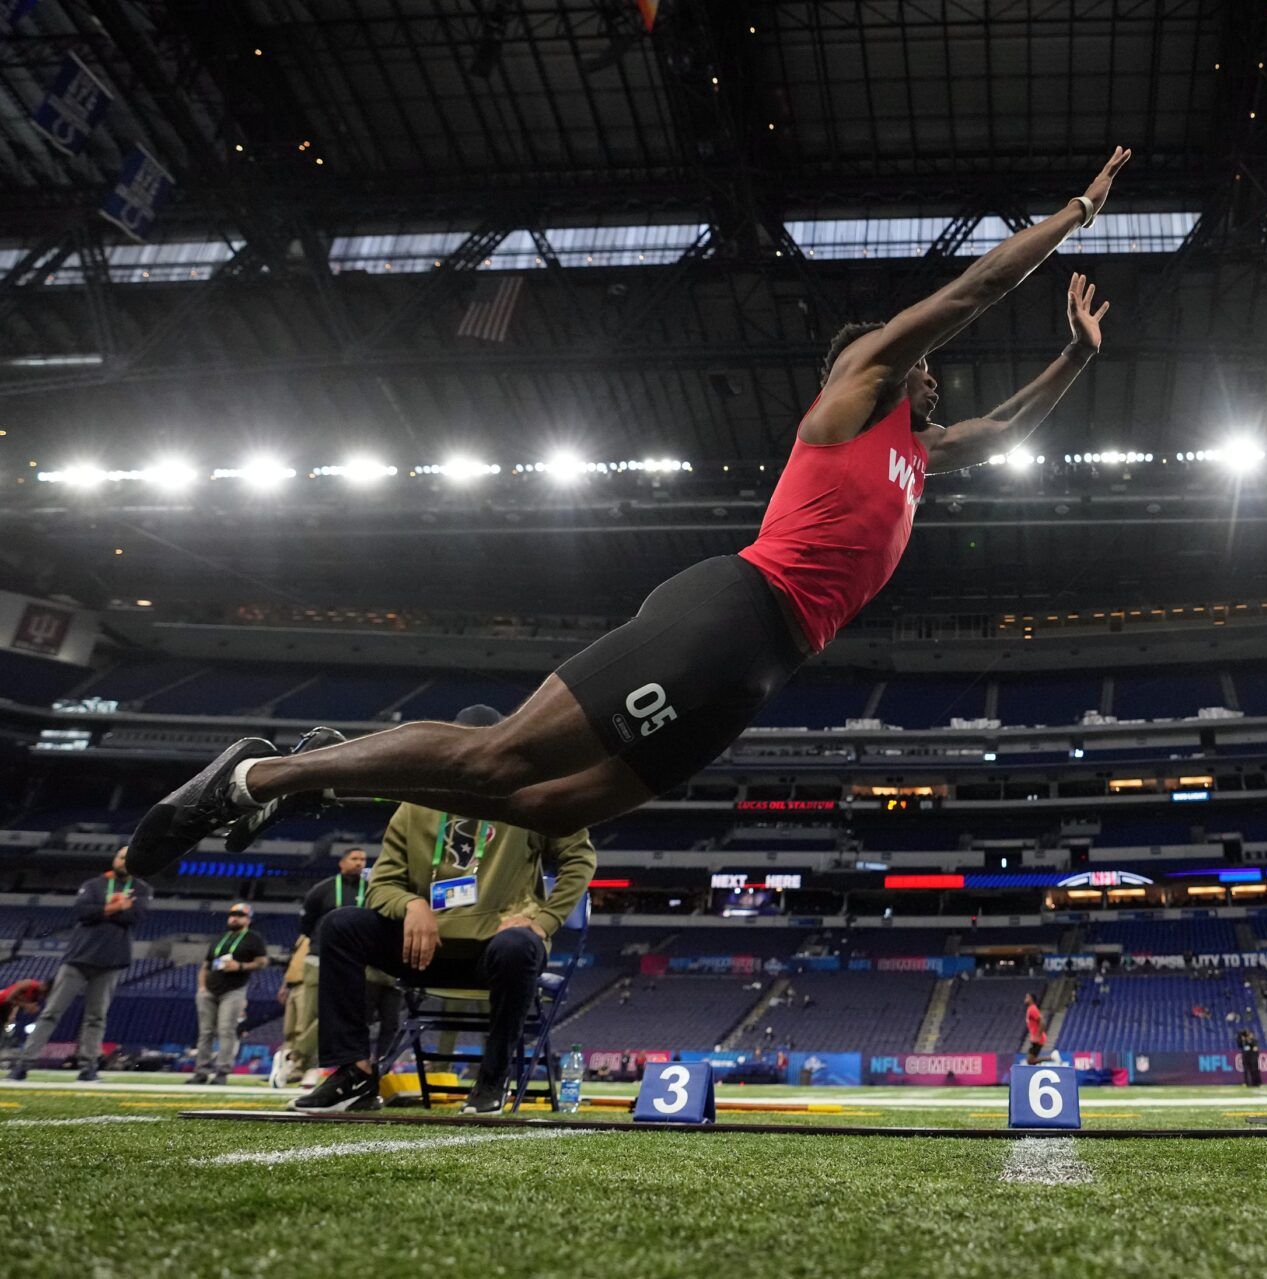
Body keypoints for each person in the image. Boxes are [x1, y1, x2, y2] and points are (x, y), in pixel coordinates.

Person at [124, 147, 1133, 877]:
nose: (936, 375)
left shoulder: (917, 452)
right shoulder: (853, 398)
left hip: (764, 665)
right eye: (921, 366)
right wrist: (1075, 214)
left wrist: (1076, 358)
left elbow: (1002, 429)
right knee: (498, 755)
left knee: (532, 806)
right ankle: (252, 780)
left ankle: (307, 770)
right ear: (871, 370)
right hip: (731, 610)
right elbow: (970, 292)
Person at [289, 781, 594, 1115]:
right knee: (340, 925)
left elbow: (578, 859)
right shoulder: (413, 806)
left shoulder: (531, 801)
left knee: (519, 944)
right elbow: (382, 886)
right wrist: (411, 904)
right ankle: (353, 1072)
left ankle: (492, 1078)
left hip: (495, 955)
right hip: (423, 951)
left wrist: (544, 921)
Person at [8, 846, 150, 1082]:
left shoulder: (142, 889)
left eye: (129, 858)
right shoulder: (94, 885)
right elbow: (83, 912)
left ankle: (88, 1067)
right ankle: (23, 1064)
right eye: (121, 857)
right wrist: (114, 907)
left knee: (96, 1017)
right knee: (51, 1012)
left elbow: (135, 916)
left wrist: (104, 911)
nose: (124, 861)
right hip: (78, 958)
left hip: (111, 961)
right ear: (114, 859)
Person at [275, 845, 394, 1087]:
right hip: (318, 958)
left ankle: (302, 1059)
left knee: (335, 1014)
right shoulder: (323, 889)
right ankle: (299, 1063)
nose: (360, 863)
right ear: (341, 863)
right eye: (354, 858)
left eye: (363, 859)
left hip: (357, 962)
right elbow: (306, 926)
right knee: (308, 1015)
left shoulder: (372, 889)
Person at [194, 901, 269, 1084]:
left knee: (226, 1030)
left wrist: (241, 966)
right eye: (232, 914)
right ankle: (201, 1072)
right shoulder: (220, 938)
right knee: (205, 1032)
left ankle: (221, 1072)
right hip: (209, 990)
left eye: (240, 915)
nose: (234, 917)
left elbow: (262, 962)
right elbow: (206, 965)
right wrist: (202, 988)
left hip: (233, 991)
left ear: (248, 919)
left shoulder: (253, 938)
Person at [1023, 992, 1048, 1066]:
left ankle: (1052, 1058)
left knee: (1030, 1061)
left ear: (1031, 999)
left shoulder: (1032, 1009)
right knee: (1031, 1061)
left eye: (1027, 997)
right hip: (1035, 1038)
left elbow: (1042, 1021)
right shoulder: (1030, 1009)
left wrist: (1038, 1035)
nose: (1025, 999)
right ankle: (1041, 1064)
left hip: (1038, 1039)